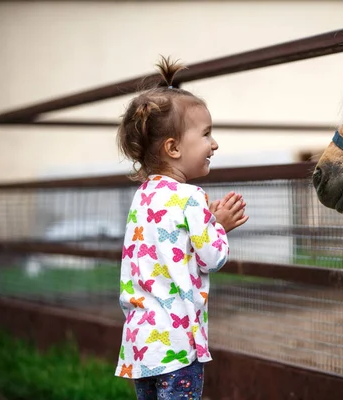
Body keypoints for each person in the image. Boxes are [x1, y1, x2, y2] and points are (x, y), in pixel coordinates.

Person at [114, 55, 249, 400]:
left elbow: (167, 248)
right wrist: (219, 226)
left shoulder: (142, 197)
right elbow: (212, 257)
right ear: (173, 148)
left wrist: (207, 223)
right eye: (206, 135)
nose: (214, 144)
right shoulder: (191, 197)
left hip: (140, 345)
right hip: (176, 344)